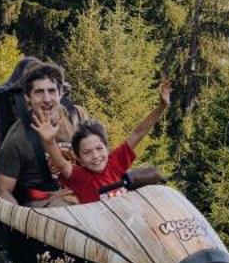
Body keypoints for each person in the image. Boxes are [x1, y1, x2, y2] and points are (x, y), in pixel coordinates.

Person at [31, 81, 172, 204]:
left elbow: (137, 134)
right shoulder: (80, 177)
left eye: (99, 148)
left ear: (106, 147)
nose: (95, 155)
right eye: (87, 152)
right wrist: (49, 141)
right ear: (79, 158)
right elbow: (61, 164)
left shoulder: (115, 163)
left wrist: (161, 107)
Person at [0, 59, 80, 206]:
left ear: (60, 93)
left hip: (77, 194)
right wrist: (21, 220)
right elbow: (3, 191)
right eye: (39, 92)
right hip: (42, 203)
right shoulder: (18, 139)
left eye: (51, 91)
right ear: (28, 98)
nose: (47, 99)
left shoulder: (75, 117)